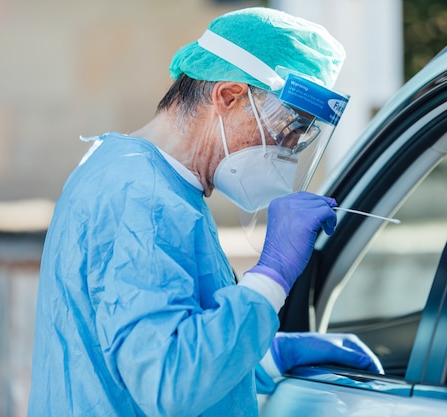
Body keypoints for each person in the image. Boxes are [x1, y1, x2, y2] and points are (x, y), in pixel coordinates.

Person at [27, 7, 382, 417]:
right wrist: (271, 277)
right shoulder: (139, 197)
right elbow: (169, 382)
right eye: (286, 128)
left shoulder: (152, 181)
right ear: (228, 96)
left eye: (299, 138)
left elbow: (146, 346)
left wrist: (265, 357)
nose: (287, 151)